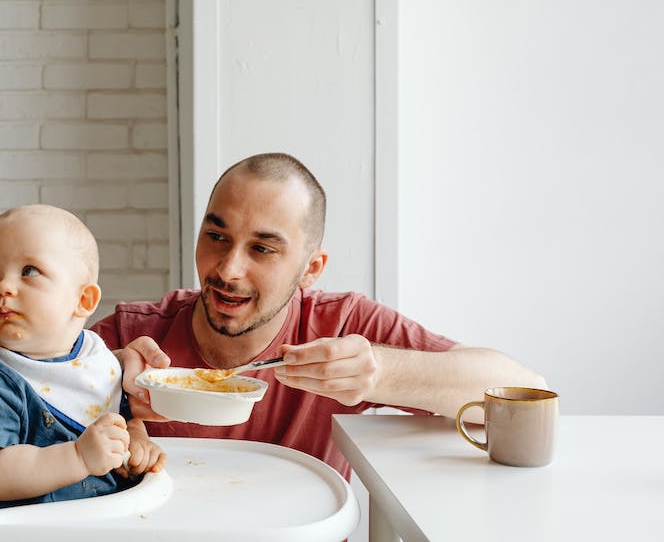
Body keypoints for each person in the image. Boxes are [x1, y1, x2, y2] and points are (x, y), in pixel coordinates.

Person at [96, 153, 546, 479]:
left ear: (311, 269)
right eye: (216, 236)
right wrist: (97, 380)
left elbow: (527, 392)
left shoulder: (343, 327)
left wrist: (380, 371)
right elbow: (26, 399)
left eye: (262, 249)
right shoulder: (134, 334)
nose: (227, 269)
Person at [0, 205, 166, 507]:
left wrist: (136, 444)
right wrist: (78, 457)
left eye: (29, 271)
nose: (3, 287)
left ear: (83, 300)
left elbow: (121, 417)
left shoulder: (95, 359)